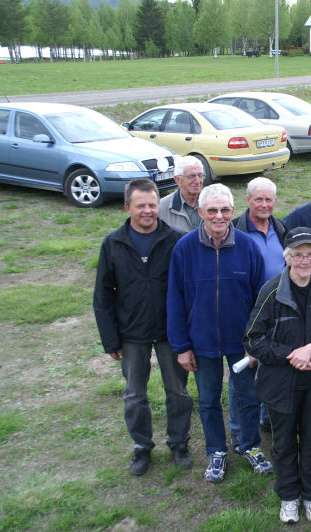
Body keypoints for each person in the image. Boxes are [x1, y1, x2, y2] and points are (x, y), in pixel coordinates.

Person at [167, 183, 272, 483]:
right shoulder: (184, 249)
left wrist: (255, 343)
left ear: (232, 211)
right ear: (200, 212)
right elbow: (174, 300)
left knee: (248, 395)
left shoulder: (248, 247)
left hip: (241, 342)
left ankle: (250, 445)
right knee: (208, 399)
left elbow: (259, 301)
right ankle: (216, 450)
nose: (218, 216)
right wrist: (181, 346)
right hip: (200, 342)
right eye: (211, 210)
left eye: (225, 210)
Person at [243, 227, 311, 524]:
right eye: (298, 255)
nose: (305, 261)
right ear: (287, 258)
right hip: (281, 384)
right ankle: (289, 495)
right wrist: (292, 355)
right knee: (284, 442)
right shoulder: (272, 291)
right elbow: (253, 339)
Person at [93, 178, 193, 476]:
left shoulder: (175, 240)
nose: (148, 211)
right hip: (131, 333)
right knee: (135, 395)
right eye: (141, 206)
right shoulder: (113, 243)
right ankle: (141, 446)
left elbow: (188, 290)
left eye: (152, 205)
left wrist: (186, 336)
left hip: (169, 331)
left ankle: (179, 443)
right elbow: (102, 296)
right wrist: (111, 341)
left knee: (177, 392)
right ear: (128, 207)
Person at [232, 176, 288, 437]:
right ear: (247, 201)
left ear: (275, 201)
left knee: (273, 369)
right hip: (245, 313)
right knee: (244, 374)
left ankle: (266, 419)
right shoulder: (235, 230)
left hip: (277, 313)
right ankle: (239, 428)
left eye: (269, 199)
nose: (264, 204)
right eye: (258, 199)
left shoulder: (282, 229)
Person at [159, 155, 204, 234]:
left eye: (200, 175)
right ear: (178, 180)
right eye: (191, 176)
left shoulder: (212, 204)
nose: (197, 181)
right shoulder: (161, 208)